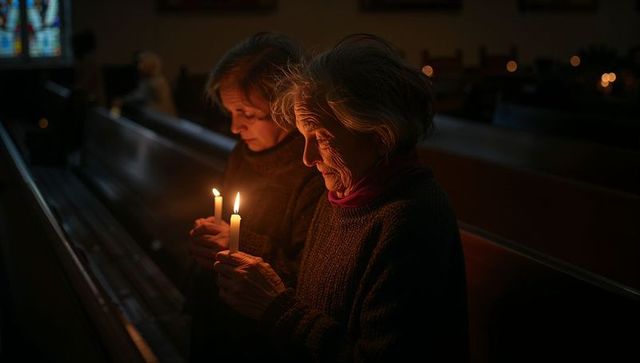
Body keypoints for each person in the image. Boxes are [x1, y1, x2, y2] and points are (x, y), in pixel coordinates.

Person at [213, 34, 469, 362]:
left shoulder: (409, 221)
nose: (307, 158)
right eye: (304, 137)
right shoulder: (339, 196)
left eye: (320, 137)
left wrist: (276, 308)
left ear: (380, 135)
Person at [186, 32, 325, 362]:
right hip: (218, 319)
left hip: (267, 340)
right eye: (230, 111)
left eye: (246, 113)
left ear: (286, 107)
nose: (235, 127)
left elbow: (309, 275)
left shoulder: (314, 169)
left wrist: (239, 242)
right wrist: (209, 240)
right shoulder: (243, 153)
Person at [118, 50, 177, 116]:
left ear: (151, 65)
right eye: (139, 63)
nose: (139, 67)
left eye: (142, 63)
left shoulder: (158, 82)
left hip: (161, 117)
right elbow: (138, 95)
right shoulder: (146, 80)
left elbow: (140, 96)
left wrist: (123, 101)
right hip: (150, 115)